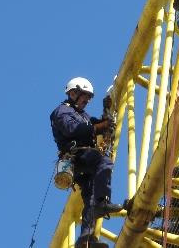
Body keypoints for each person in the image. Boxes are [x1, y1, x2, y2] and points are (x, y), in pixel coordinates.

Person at [50, 77, 123, 247]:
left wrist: (106, 111)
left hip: (83, 160)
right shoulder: (62, 111)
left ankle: (85, 241)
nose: (87, 101)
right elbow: (72, 128)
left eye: (89, 98)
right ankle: (102, 202)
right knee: (103, 162)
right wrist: (98, 128)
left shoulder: (82, 115)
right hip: (76, 157)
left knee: (90, 195)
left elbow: (94, 123)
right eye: (85, 97)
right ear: (73, 93)